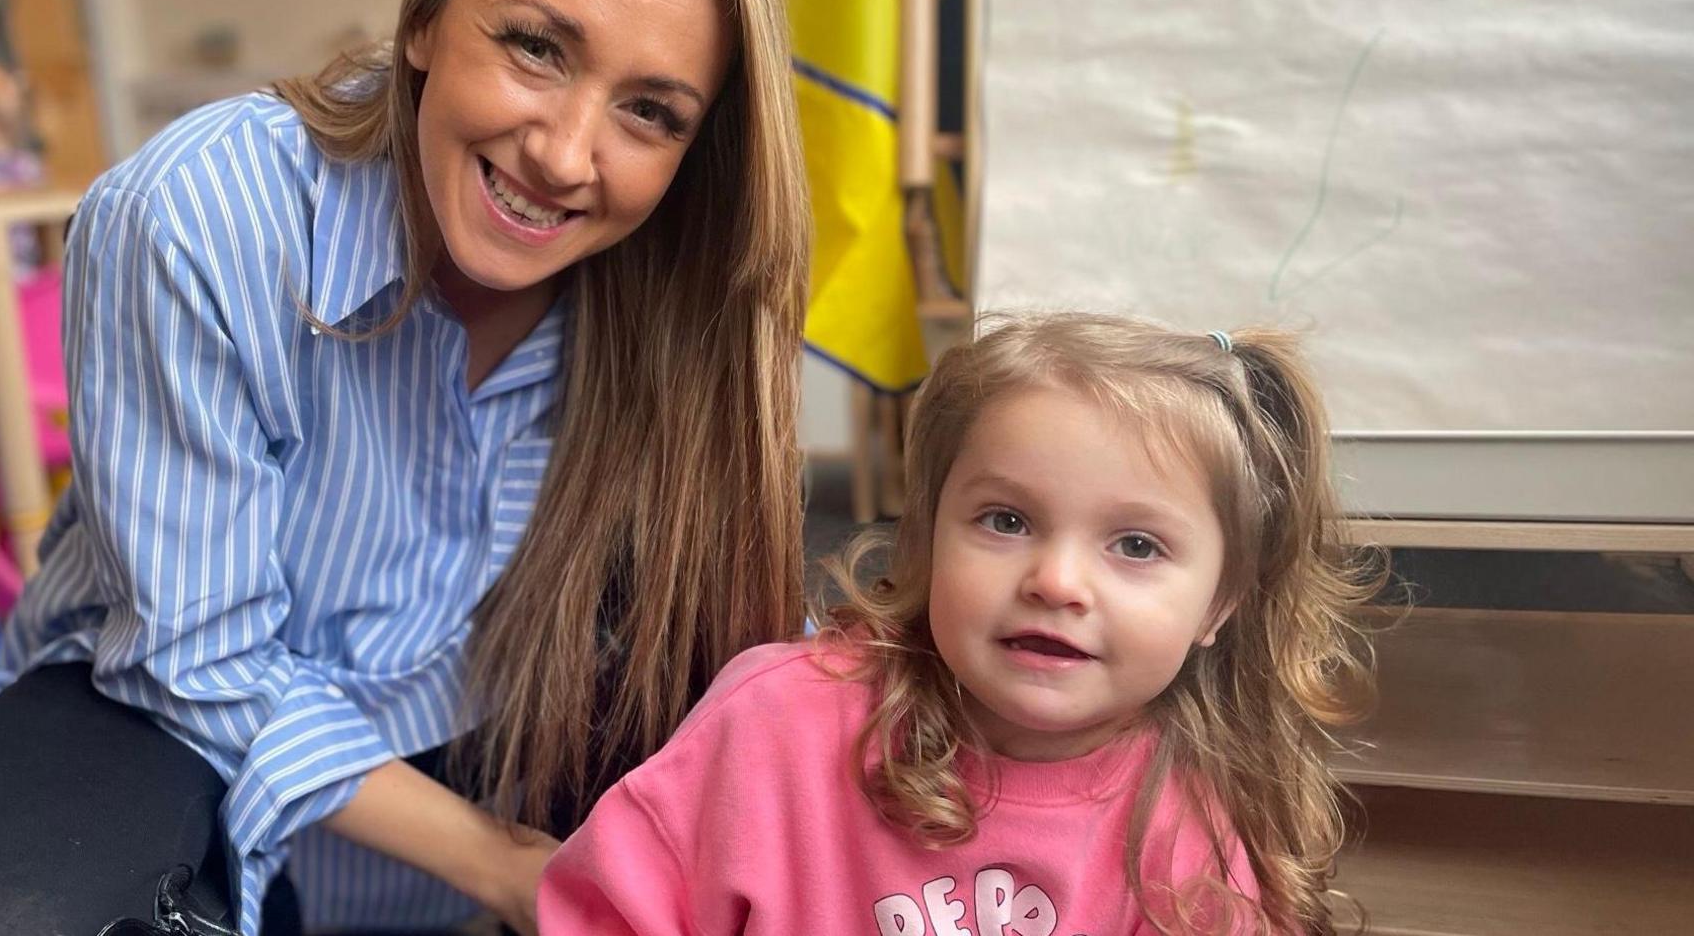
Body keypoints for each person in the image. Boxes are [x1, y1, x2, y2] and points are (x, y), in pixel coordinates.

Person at [0, 0, 807, 936]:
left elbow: (727, 648)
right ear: (425, 16)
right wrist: (505, 863)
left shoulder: (678, 287)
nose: (564, 155)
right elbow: (198, 662)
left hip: (491, 715)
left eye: (648, 111)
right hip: (152, 710)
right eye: (534, 46)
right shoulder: (196, 213)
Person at [539, 312, 1385, 936]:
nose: (1055, 580)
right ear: (927, 534)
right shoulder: (775, 722)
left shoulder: (1197, 827)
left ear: (1220, 605)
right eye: (1006, 520)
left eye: (1135, 544)